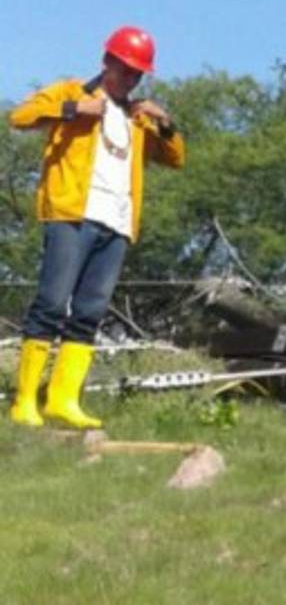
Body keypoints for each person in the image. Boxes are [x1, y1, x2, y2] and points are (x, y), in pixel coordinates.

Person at [7, 26, 185, 429]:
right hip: (71, 213)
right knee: (52, 304)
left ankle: (62, 401)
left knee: (89, 312)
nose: (130, 79)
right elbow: (21, 116)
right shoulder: (73, 91)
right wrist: (73, 110)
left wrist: (165, 121)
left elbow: (175, 158)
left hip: (117, 223)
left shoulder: (138, 118)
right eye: (125, 69)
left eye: (137, 74)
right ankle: (24, 403)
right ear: (107, 62)